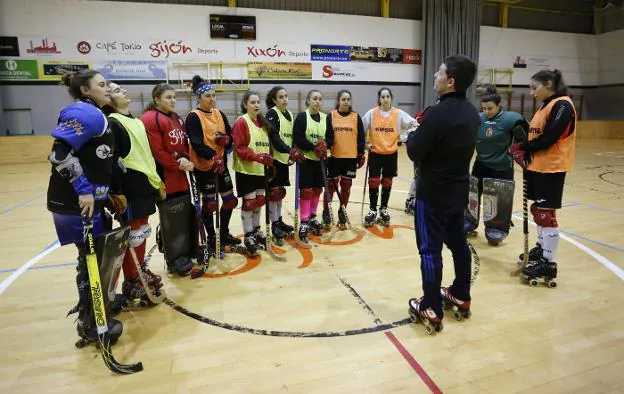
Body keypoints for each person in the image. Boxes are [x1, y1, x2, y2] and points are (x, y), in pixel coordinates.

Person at [46, 70, 123, 343]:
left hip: (91, 202)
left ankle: (94, 310)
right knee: (89, 259)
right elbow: (59, 154)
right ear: (85, 91)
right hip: (75, 203)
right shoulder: (84, 113)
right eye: (101, 85)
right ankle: (90, 323)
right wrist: (84, 190)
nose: (108, 88)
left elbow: (98, 159)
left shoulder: (99, 114)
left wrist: (108, 191)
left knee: (96, 258)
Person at [406, 55, 480, 332]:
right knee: (458, 243)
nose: (435, 76)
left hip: (432, 194)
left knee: (429, 250)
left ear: (450, 81)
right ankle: (461, 292)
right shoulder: (472, 113)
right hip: (458, 191)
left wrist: (415, 131)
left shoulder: (436, 113)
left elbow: (414, 151)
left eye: (439, 72)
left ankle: (432, 306)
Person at [510, 69, 576, 285]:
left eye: (534, 87)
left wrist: (524, 147)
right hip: (538, 166)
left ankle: (549, 261)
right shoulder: (546, 105)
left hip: (552, 168)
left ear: (548, 84)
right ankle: (541, 247)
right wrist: (525, 152)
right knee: (538, 210)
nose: (531, 93)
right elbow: (536, 134)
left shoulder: (562, 105)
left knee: (547, 213)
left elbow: (550, 137)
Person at [104, 82, 165, 302]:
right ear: (108, 99)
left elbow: (146, 154)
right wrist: (116, 191)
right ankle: (131, 280)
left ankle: (139, 271)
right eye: (117, 90)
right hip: (129, 187)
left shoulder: (135, 121)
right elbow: (113, 160)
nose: (124, 91)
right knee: (132, 234)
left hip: (144, 184)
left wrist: (156, 180)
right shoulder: (112, 122)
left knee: (142, 231)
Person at [141, 83, 194, 276]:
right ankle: (173, 259)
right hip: (165, 177)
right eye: (168, 97)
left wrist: (186, 159)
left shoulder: (177, 118)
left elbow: (184, 144)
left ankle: (184, 253)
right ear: (156, 99)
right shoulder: (149, 118)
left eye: (174, 97)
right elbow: (157, 152)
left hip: (181, 176)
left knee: (182, 217)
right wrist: (177, 164)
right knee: (170, 218)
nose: (173, 101)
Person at [463, 86, 526, 245]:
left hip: (501, 168)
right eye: (483, 108)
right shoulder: (478, 118)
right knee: (472, 196)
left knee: (497, 201)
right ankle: (469, 221)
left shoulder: (511, 119)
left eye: (490, 108)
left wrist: (522, 153)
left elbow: (524, 140)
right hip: (481, 165)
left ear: (499, 105)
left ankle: (496, 227)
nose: (486, 111)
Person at [185, 76, 240, 256]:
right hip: (204, 167)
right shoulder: (194, 117)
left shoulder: (219, 114)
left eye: (214, 95)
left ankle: (223, 233)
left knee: (230, 201)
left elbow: (231, 137)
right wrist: (212, 155)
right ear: (199, 98)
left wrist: (227, 140)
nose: (212, 99)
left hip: (220, 164)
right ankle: (211, 237)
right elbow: (196, 143)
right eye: (208, 96)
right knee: (209, 205)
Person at [361, 87, 418, 225]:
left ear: (391, 98)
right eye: (383, 97)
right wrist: (364, 143)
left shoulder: (398, 114)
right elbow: (360, 128)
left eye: (387, 96)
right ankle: (373, 209)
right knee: (373, 182)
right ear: (379, 99)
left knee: (387, 182)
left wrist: (402, 137)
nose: (385, 99)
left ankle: (384, 209)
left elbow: (415, 125)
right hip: (375, 153)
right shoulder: (372, 113)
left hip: (391, 154)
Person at [231, 91, 275, 255]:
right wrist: (256, 157)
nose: (256, 105)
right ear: (245, 105)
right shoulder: (241, 122)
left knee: (259, 201)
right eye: (252, 102)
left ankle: (256, 230)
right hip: (247, 170)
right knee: (249, 203)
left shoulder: (262, 123)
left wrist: (268, 159)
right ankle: (248, 234)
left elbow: (265, 146)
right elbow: (240, 148)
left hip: (261, 169)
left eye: (258, 102)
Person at [265, 86, 305, 245]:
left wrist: (295, 150)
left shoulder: (289, 114)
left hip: (284, 159)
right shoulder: (272, 113)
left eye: (286, 96)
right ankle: (273, 223)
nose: (285, 99)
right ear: (274, 100)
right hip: (273, 160)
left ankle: (278, 220)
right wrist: (289, 150)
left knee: (279, 192)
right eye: (281, 97)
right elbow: (274, 137)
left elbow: (291, 136)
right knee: (273, 193)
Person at [323, 90, 366, 229]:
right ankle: (327, 212)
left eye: (348, 99)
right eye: (343, 99)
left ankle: (342, 211)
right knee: (330, 187)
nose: (346, 102)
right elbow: (328, 136)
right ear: (338, 101)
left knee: (346, 187)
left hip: (350, 158)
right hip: (334, 157)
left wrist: (360, 154)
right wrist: (326, 150)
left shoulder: (355, 116)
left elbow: (361, 137)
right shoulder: (331, 115)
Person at [293, 90, 329, 242]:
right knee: (306, 191)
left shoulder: (326, 118)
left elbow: (331, 137)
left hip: (320, 160)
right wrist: (313, 146)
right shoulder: (302, 117)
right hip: (306, 159)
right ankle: (304, 221)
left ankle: (313, 216)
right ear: (308, 100)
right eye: (314, 99)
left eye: (320, 99)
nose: (317, 102)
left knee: (317, 189)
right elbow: (298, 137)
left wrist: (325, 145)